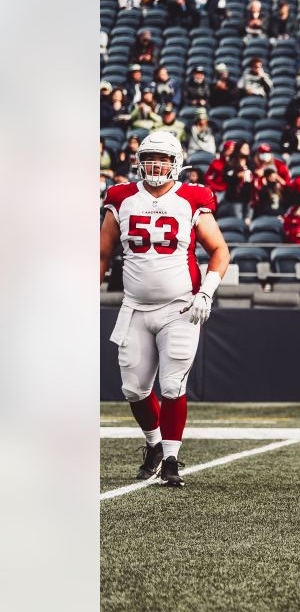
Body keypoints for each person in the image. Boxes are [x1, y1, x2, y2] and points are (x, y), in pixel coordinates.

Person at [99, 131, 230, 487]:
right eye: (151, 158)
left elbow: (219, 250)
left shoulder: (191, 198)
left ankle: (171, 459)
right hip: (136, 307)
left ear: (177, 163)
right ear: (140, 161)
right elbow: (102, 253)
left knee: (172, 385)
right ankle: (154, 445)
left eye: (164, 159)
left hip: (180, 307)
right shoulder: (121, 197)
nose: (157, 165)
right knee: (134, 390)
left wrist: (207, 292)